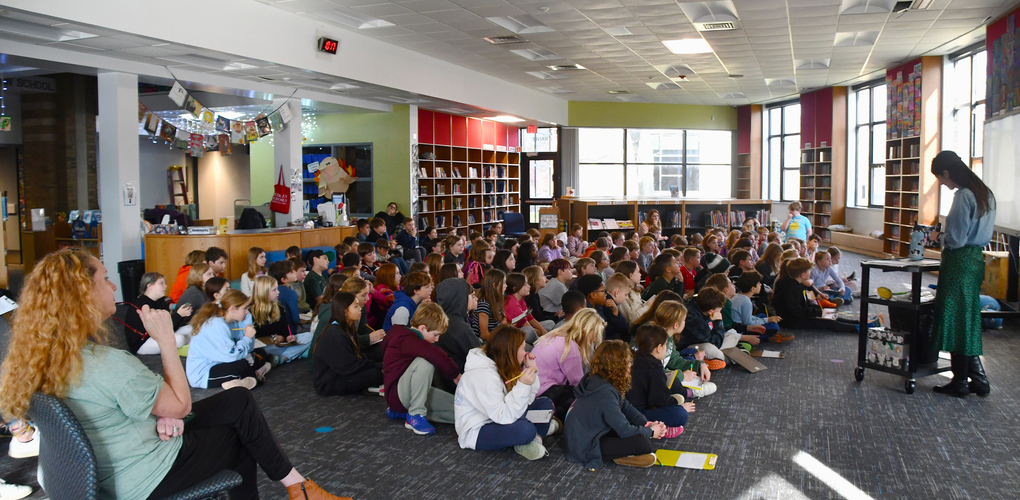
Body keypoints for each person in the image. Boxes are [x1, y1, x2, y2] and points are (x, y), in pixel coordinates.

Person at [0, 249, 347, 499]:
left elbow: (125, 408)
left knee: (240, 401)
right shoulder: (104, 364)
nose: (113, 288)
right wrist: (166, 341)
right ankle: (300, 489)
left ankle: (299, 488)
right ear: (83, 295)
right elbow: (180, 404)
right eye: (105, 280)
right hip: (142, 475)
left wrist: (164, 416)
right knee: (241, 434)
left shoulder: (43, 357)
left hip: (105, 467)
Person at [929, 150, 996, 397]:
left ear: (947, 173)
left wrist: (939, 237)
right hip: (976, 260)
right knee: (966, 320)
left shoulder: (962, 196)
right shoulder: (985, 193)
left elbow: (955, 239)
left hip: (958, 262)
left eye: (940, 178)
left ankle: (960, 383)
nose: (942, 184)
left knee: (955, 321)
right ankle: (977, 380)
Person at [455, 325, 556, 460]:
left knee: (545, 404)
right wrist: (523, 385)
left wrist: (532, 371)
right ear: (511, 351)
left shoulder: (500, 364)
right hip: (479, 429)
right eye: (522, 348)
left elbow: (527, 401)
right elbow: (504, 416)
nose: (525, 352)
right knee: (526, 430)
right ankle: (531, 436)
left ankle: (534, 440)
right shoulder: (482, 376)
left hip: (500, 416)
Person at [564, 340, 664, 470]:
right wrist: (650, 432)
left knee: (639, 433)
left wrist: (646, 424)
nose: (630, 366)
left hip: (587, 436)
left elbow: (626, 406)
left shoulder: (598, 380)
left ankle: (625, 454)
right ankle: (621, 456)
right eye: (628, 362)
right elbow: (623, 429)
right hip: (585, 446)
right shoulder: (605, 392)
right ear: (618, 366)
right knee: (642, 443)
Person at [382, 303, 460, 435]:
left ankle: (402, 411)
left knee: (458, 409)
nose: (436, 339)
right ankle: (415, 414)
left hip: (399, 395)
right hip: (398, 394)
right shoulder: (408, 340)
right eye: (435, 335)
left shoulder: (403, 335)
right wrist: (455, 374)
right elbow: (435, 355)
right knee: (425, 362)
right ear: (422, 328)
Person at [532, 308, 605, 422]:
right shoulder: (570, 348)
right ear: (587, 331)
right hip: (543, 394)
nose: (595, 340)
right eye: (595, 335)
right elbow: (578, 383)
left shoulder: (556, 335)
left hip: (533, 390)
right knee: (584, 398)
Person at [627, 324, 693, 437]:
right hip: (637, 414)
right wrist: (677, 404)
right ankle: (658, 427)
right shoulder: (654, 367)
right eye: (666, 345)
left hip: (624, 409)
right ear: (658, 348)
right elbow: (659, 400)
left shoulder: (633, 358)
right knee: (681, 414)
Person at [312, 292, 384, 396]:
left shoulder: (345, 327)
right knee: (375, 374)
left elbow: (354, 356)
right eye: (355, 306)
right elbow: (349, 366)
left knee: (377, 352)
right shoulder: (335, 334)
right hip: (329, 382)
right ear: (345, 311)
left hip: (341, 371)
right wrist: (378, 366)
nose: (360, 309)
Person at [772, 258, 856, 332]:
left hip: (798, 315)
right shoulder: (790, 287)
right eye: (809, 271)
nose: (811, 272)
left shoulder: (798, 283)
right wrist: (818, 313)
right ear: (803, 275)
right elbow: (796, 310)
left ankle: (857, 323)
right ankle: (857, 328)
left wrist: (820, 310)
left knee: (830, 315)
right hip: (791, 320)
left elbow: (804, 304)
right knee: (829, 322)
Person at [122, 272, 192, 355]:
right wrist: (179, 315)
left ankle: (183, 346)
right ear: (149, 286)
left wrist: (181, 315)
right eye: (161, 283)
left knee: (192, 328)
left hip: (158, 334)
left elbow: (169, 327)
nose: (165, 286)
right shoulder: (143, 304)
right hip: (143, 342)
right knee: (180, 339)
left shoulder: (160, 301)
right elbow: (163, 329)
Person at [252, 276, 312, 363]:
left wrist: (288, 337)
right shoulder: (252, 311)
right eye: (274, 290)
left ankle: (283, 358)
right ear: (263, 292)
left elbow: (285, 329)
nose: (278, 292)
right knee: (264, 350)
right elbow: (254, 339)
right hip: (266, 346)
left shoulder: (279, 307)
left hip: (280, 345)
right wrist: (273, 338)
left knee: (309, 336)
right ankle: (297, 354)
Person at [435, 278, 482, 377]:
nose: (475, 298)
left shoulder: (443, 320)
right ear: (460, 298)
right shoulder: (458, 327)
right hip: (461, 380)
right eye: (470, 296)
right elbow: (480, 355)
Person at [731, 271, 789, 343]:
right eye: (758, 283)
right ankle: (766, 337)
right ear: (753, 288)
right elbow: (748, 323)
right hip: (741, 330)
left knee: (762, 316)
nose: (761, 285)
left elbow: (748, 317)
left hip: (740, 325)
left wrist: (767, 319)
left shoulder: (738, 296)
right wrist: (768, 320)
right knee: (774, 326)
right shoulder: (746, 302)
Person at [576, 274, 630, 343]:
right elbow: (605, 333)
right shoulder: (585, 313)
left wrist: (615, 312)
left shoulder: (602, 306)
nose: (606, 294)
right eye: (603, 291)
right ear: (593, 295)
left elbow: (624, 328)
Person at [504, 273, 548, 343]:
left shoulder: (520, 299)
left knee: (549, 323)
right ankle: (541, 344)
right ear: (515, 288)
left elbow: (530, 318)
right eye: (525, 284)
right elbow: (525, 324)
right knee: (530, 331)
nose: (529, 286)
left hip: (522, 328)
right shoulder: (511, 303)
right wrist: (540, 333)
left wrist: (543, 331)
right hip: (513, 334)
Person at [268, 261, 301, 329]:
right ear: (283, 279)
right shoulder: (291, 294)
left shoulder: (269, 291)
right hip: (289, 331)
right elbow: (295, 320)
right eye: (291, 272)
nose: (295, 273)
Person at [368, 263, 400, 329]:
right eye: (397, 273)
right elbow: (398, 304)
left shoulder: (396, 287)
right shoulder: (382, 290)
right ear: (389, 276)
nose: (400, 275)